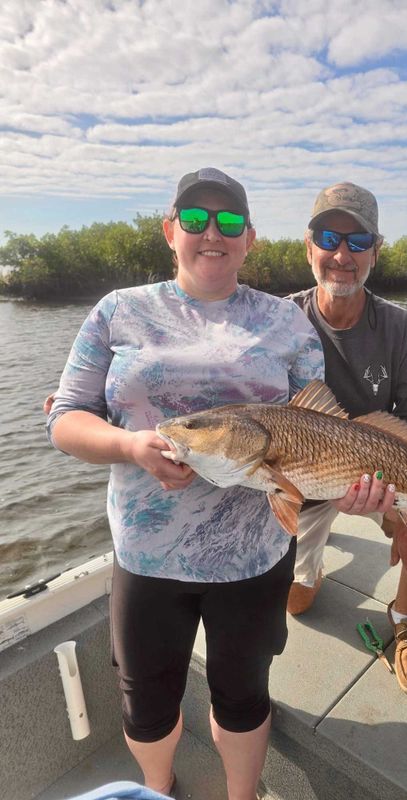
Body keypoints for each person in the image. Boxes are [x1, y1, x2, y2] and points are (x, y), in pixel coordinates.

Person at [46, 168, 327, 800]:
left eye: (229, 222)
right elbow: (65, 420)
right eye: (195, 219)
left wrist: (356, 490)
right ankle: (158, 787)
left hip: (254, 557)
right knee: (146, 700)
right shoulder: (118, 310)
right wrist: (128, 445)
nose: (212, 233)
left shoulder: (285, 322)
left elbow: (318, 428)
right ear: (170, 229)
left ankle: (241, 796)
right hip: (148, 559)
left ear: (249, 237)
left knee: (243, 693)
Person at [286, 182, 407, 697]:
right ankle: (311, 564)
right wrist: (108, 401)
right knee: (298, 603)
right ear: (309, 246)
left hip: (377, 475)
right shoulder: (277, 321)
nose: (342, 255)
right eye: (329, 237)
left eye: (358, 242)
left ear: (375, 253)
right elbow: (220, 386)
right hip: (297, 481)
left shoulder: (404, 331)